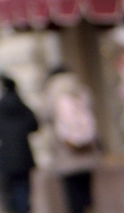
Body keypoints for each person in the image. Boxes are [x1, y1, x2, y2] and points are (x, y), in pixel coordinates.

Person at [0, 68, 39, 213]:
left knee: (9, 189)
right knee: (23, 187)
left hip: (5, 155)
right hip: (23, 154)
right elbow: (34, 125)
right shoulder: (22, 106)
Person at [44, 71, 98, 213]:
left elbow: (46, 116)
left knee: (71, 192)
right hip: (86, 147)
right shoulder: (81, 91)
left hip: (66, 151)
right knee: (86, 188)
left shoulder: (54, 94)